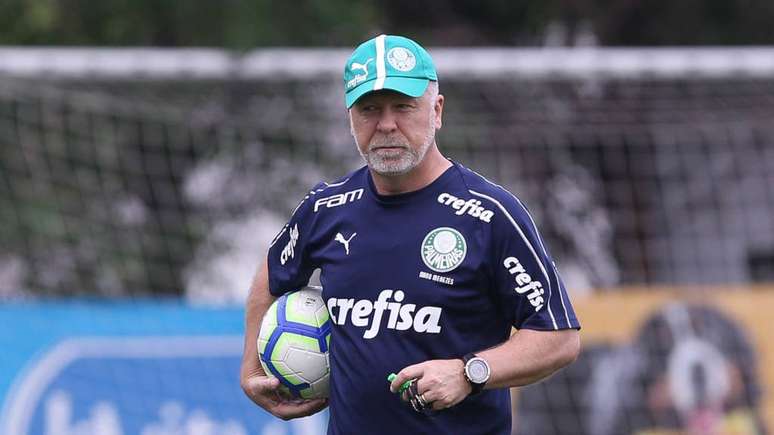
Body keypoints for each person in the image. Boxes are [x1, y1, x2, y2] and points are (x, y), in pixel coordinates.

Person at [241, 34, 581, 434]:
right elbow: (272, 270)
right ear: (350, 118)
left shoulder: (490, 215)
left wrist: (468, 372)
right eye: (369, 109)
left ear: (436, 111)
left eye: (403, 106)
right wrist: (251, 367)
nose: (386, 124)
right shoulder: (325, 209)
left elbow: (559, 337)